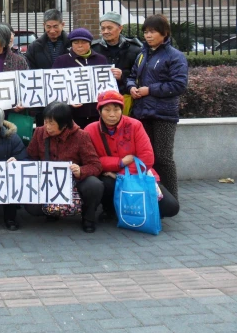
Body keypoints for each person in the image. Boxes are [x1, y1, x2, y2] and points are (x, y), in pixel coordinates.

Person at [85, 91, 180, 222]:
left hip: (138, 176)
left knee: (171, 208)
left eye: (116, 109)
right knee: (105, 183)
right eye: (107, 110)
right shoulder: (90, 130)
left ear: (122, 110)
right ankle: (110, 210)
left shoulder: (135, 125)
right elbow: (91, 160)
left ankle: (140, 210)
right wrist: (119, 162)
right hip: (108, 176)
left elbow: (147, 157)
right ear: (99, 111)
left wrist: (121, 175)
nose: (112, 114)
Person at [126, 14, 188, 200]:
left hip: (163, 115)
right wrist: (131, 87)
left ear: (165, 33)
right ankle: (153, 194)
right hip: (141, 114)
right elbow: (132, 75)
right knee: (145, 157)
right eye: (146, 32)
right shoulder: (142, 54)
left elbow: (179, 85)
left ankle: (171, 198)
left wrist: (149, 90)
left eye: (153, 31)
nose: (148, 35)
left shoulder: (175, 56)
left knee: (163, 157)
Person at [25, 102, 104, 233]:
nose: (47, 127)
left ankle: (88, 218)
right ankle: (52, 213)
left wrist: (81, 171)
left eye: (51, 123)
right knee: (31, 206)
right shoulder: (39, 132)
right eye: (45, 121)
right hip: (48, 182)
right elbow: (30, 157)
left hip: (74, 182)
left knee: (94, 185)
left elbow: (95, 165)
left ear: (64, 124)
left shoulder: (81, 136)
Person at [52, 28, 110, 128]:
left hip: (96, 112)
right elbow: (54, 85)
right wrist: (68, 100)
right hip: (72, 114)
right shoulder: (61, 61)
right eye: (76, 42)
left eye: (83, 42)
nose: (79, 45)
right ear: (71, 44)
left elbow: (107, 83)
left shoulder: (101, 59)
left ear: (90, 43)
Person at [92, 12, 143, 105]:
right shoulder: (93, 49)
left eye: (109, 28)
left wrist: (123, 76)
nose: (105, 31)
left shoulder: (135, 50)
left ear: (120, 28)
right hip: (99, 100)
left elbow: (141, 76)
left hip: (126, 99)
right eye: (103, 28)